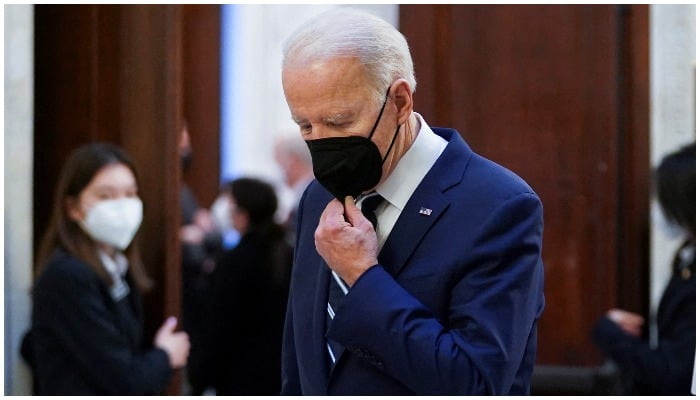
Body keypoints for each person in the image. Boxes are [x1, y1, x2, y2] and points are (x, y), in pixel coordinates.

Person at [279, 7, 545, 395]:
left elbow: (475, 384)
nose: (320, 142)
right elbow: (301, 359)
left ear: (400, 102)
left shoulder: (499, 206)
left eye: (338, 122)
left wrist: (362, 276)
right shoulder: (318, 196)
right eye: (305, 125)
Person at [20, 142, 190, 395]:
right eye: (105, 196)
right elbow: (124, 381)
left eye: (130, 194)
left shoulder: (117, 267)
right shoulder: (68, 276)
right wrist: (165, 355)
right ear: (73, 208)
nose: (122, 206)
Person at [592, 142, 695, 395]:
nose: (656, 208)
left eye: (662, 197)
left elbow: (677, 373)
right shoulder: (686, 258)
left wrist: (612, 335)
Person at [203, 177, 293, 395]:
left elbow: (220, 326)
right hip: (282, 369)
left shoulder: (235, 261)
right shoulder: (287, 251)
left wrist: (202, 376)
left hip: (240, 375)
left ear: (243, 213)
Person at [274, 133, 315, 245]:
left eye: (278, 162)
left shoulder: (311, 196)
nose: (277, 170)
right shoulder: (304, 194)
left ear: (293, 161)